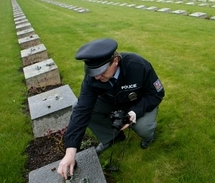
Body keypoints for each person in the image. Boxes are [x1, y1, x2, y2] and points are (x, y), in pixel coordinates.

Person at [57, 38, 165, 179]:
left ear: (115, 61)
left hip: (140, 103)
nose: (97, 77)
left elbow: (156, 94)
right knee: (77, 106)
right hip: (113, 102)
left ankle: (149, 138)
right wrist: (70, 151)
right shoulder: (93, 78)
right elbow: (82, 109)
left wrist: (134, 112)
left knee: (143, 128)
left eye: (101, 72)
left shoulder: (138, 65)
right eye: (93, 72)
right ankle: (113, 136)